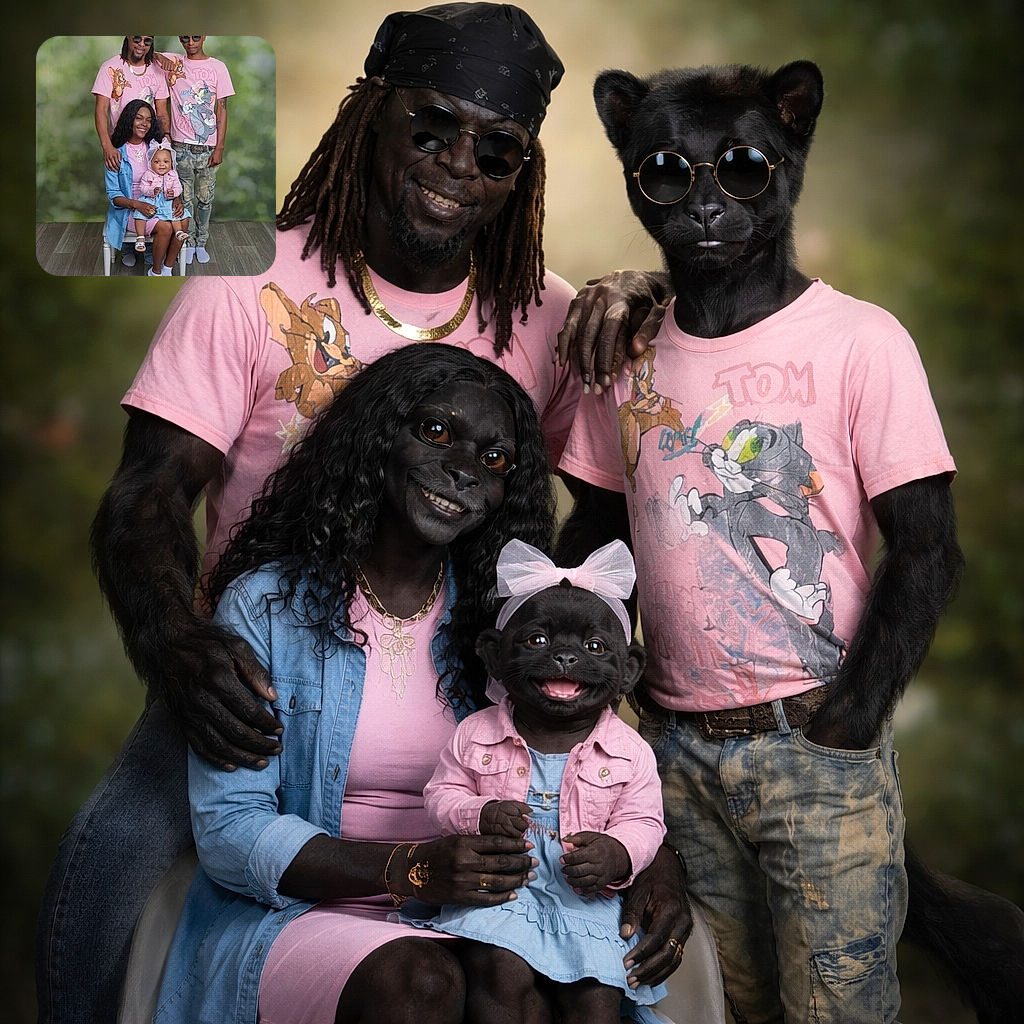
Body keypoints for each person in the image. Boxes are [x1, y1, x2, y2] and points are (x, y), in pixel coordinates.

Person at [36, 7, 693, 1024]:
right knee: (114, 859)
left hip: (465, 686)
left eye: (493, 151)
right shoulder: (248, 281)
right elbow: (147, 494)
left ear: (519, 173)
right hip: (247, 685)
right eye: (429, 127)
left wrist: (656, 292)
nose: (454, 166)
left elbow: (598, 528)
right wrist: (177, 647)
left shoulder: (548, 317)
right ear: (369, 114)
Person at [556, 60, 963, 1022]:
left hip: (814, 739)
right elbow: (598, 539)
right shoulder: (625, 354)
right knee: (716, 1006)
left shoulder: (861, 341)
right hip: (672, 754)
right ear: (630, 167)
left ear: (790, 150)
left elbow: (928, 548)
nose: (703, 200)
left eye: (741, 167)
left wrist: (851, 721)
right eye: (666, 172)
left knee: (835, 1009)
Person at [155, 344, 557, 1023]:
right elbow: (230, 828)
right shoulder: (267, 607)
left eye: (493, 460)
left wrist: (649, 853)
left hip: (473, 916)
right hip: (301, 915)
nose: (464, 470)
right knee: (422, 984)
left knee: (536, 994)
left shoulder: (505, 627)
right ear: (376, 437)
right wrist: (413, 867)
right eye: (436, 431)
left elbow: (573, 769)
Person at [404, 538, 670, 1024]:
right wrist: (478, 813)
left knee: (595, 998)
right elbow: (440, 796)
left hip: (584, 899)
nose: (565, 659)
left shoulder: (631, 752)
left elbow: (645, 822)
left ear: (628, 669)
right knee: (498, 972)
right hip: (501, 890)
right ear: (494, 655)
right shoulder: (476, 732)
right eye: (537, 641)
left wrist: (617, 853)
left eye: (593, 647)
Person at [158, 35, 235, 265]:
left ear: (204, 37)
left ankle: (201, 241)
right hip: (180, 146)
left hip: (208, 147)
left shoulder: (218, 68)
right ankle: (188, 242)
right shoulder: (174, 61)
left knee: (205, 198)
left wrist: (219, 146)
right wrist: (160, 57)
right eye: (184, 38)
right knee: (185, 198)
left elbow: (221, 110)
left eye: (195, 37)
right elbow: (148, 55)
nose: (190, 42)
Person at [103, 99, 188, 275]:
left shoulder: (155, 147)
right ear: (129, 120)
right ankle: (155, 271)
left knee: (184, 220)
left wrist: (176, 199)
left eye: (149, 120)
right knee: (165, 227)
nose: (144, 124)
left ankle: (167, 268)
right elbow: (113, 195)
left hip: (161, 200)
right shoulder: (116, 152)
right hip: (130, 208)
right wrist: (138, 205)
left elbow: (170, 175)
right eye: (139, 118)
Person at [92, 34, 170, 173]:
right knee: (122, 190)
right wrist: (107, 146)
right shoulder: (110, 67)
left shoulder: (157, 70)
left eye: (147, 41)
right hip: (120, 145)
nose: (141, 44)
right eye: (137, 39)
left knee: (155, 190)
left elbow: (162, 111)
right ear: (128, 36)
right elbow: (101, 110)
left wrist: (166, 139)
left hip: (151, 147)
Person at [133, 141, 190, 253]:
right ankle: (140, 237)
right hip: (151, 201)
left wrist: (173, 193)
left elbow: (179, 187)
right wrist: (151, 191)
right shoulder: (148, 174)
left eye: (166, 161)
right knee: (139, 215)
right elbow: (142, 188)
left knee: (174, 213)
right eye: (157, 162)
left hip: (166, 201)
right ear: (150, 163)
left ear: (171, 163)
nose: (162, 164)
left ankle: (178, 232)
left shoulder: (173, 174)